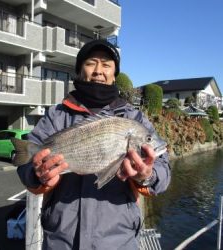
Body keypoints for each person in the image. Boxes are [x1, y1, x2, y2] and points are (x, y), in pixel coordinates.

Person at [17, 39, 171, 250]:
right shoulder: (56, 115)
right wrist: (37, 174)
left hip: (119, 242)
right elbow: (26, 164)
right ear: (80, 70)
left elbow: (163, 171)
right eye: (91, 63)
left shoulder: (134, 118)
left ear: (114, 74)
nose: (99, 70)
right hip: (61, 241)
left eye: (107, 65)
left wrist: (147, 176)